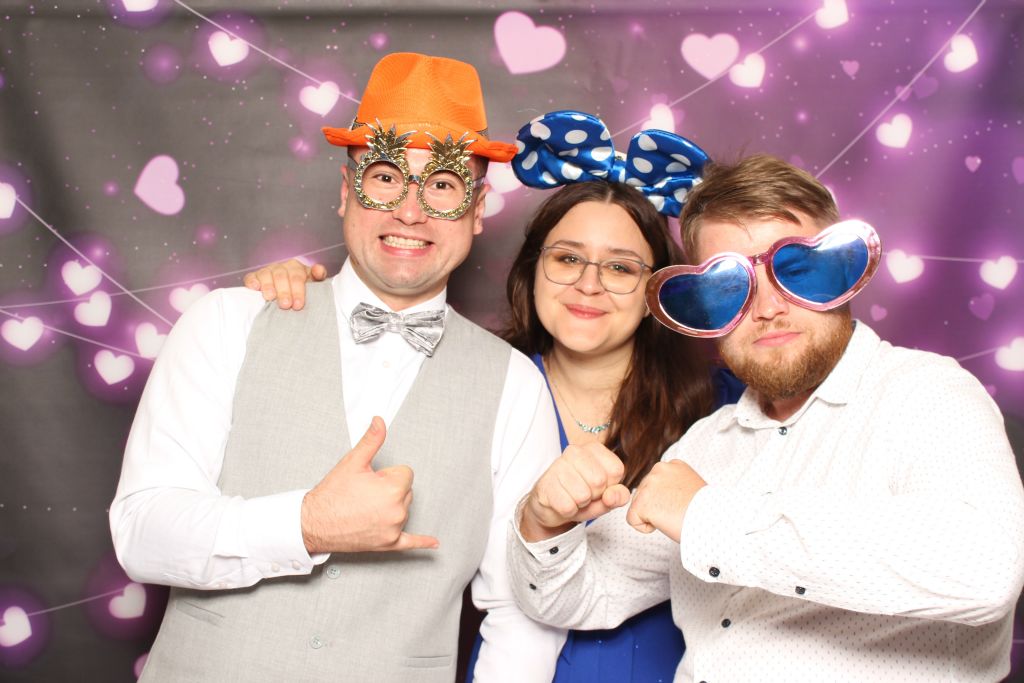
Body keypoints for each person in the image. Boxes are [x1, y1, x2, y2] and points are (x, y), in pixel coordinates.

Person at [109, 52, 567, 683]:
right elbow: (141, 533)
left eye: (442, 185)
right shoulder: (226, 322)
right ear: (347, 191)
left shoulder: (516, 386)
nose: (410, 212)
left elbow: (521, 614)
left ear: (478, 209)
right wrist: (306, 524)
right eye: (386, 177)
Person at [244, 110, 745, 682]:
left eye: (620, 267)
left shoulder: (724, 407)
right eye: (567, 258)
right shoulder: (480, 385)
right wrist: (301, 297)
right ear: (532, 268)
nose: (589, 284)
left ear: (658, 287)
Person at [507, 154, 1024, 681]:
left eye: (797, 272)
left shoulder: (928, 395)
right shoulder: (703, 446)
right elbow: (581, 596)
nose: (768, 308)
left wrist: (708, 517)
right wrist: (545, 524)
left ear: (842, 271)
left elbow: (986, 570)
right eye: (731, 286)